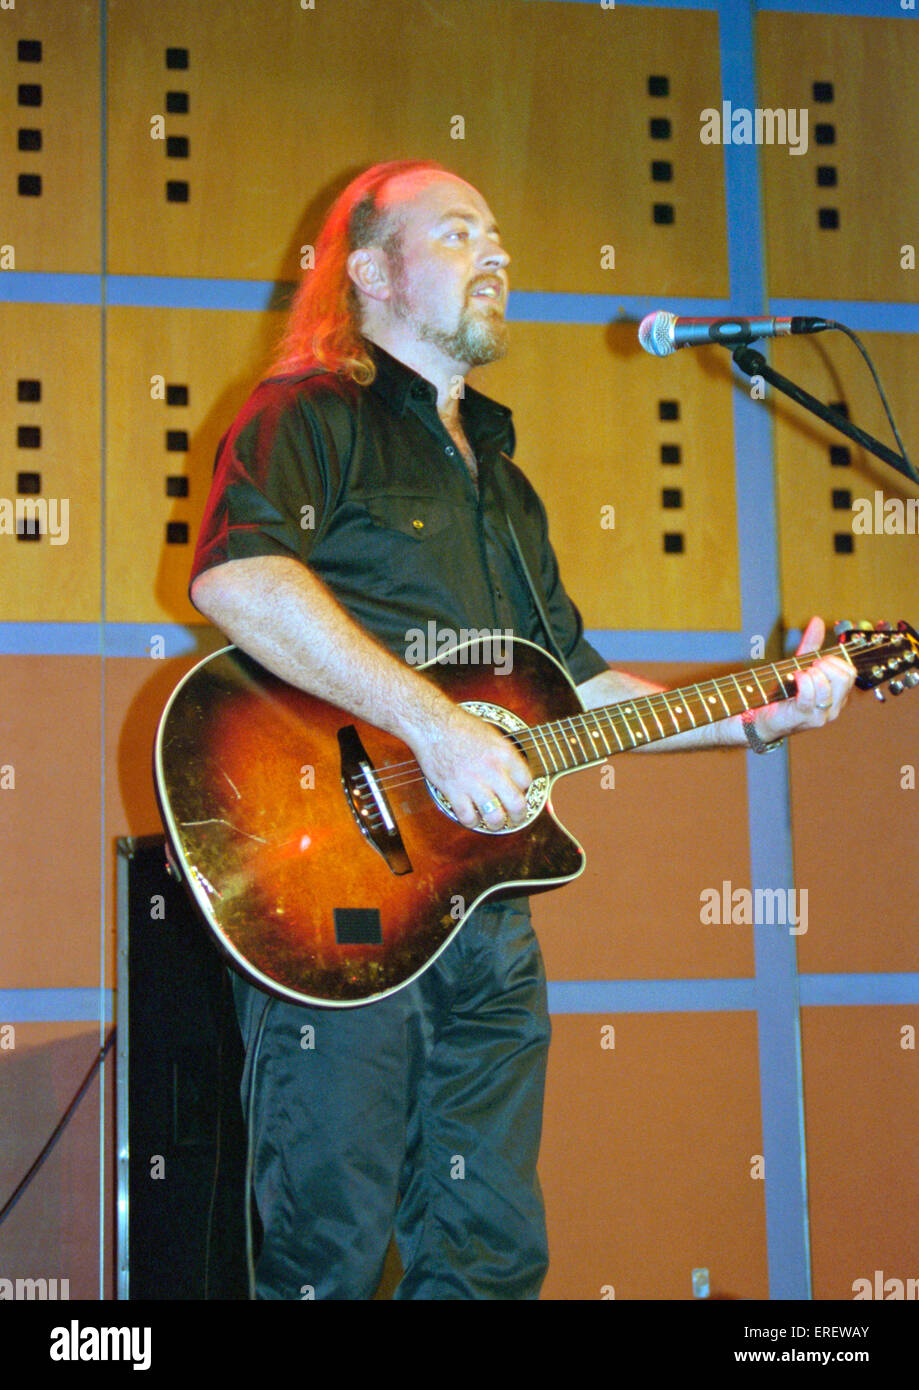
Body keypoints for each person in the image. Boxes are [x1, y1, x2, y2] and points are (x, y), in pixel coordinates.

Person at [188, 159, 855, 1300]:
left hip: (485, 918)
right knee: (327, 1252)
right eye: (456, 235)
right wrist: (435, 728)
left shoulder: (506, 483)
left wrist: (762, 708)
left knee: (491, 1255)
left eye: (497, 236)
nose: (495, 254)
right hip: (332, 896)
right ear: (371, 271)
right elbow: (240, 580)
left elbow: (579, 697)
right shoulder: (308, 416)